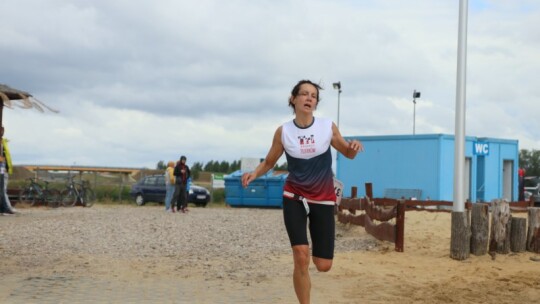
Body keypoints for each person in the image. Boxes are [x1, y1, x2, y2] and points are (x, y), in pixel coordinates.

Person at [241, 80, 363, 303]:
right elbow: (269, 161)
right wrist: (254, 173)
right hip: (294, 196)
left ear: (316, 102)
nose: (309, 98)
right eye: (304, 94)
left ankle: (319, 252)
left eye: (313, 96)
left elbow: (347, 152)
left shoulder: (327, 127)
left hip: (323, 197)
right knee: (300, 255)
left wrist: (353, 147)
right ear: (293, 99)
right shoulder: (284, 132)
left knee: (323, 265)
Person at [0, 126, 15, 215]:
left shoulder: (4, 142)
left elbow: (6, 156)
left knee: (2, 188)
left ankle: (6, 207)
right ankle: (6, 207)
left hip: (2, 167)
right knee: (2, 188)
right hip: (2, 166)